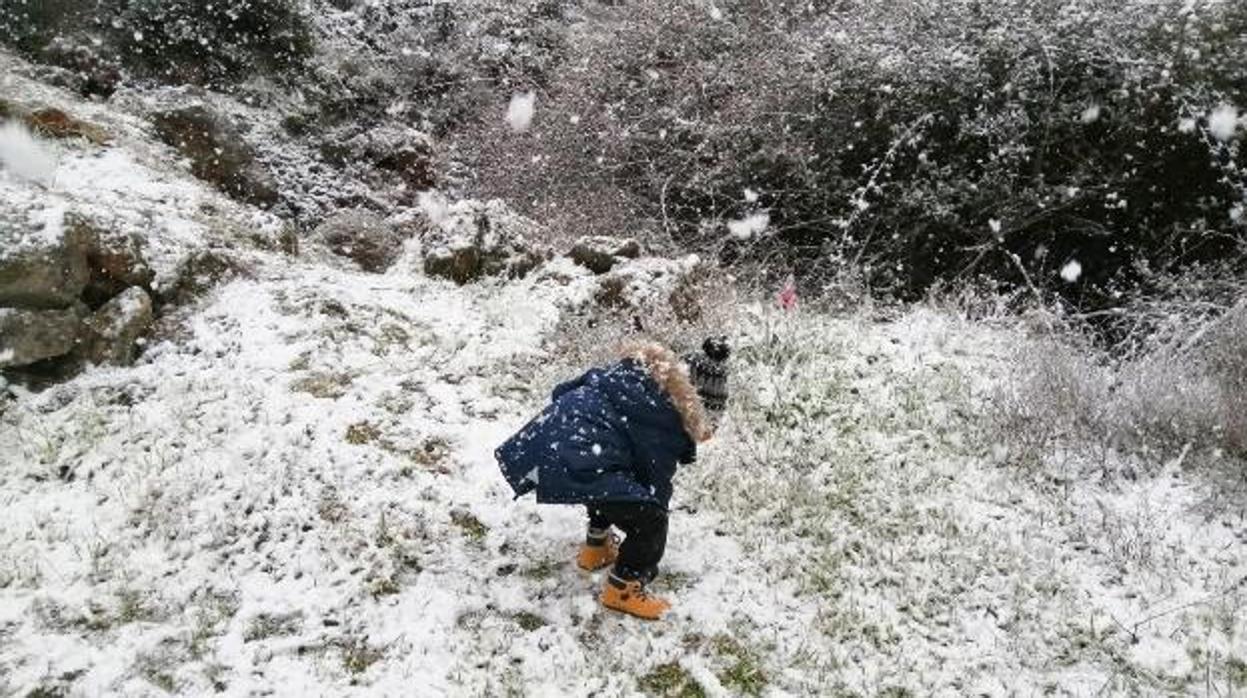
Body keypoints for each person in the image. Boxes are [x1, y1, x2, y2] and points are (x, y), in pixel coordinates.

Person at [495, 337, 730, 619]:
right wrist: (653, 524)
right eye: (708, 422)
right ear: (696, 407)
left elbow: (564, 390)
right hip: (577, 450)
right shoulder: (663, 419)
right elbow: (654, 481)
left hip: (555, 439)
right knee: (650, 516)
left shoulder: (635, 383)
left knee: (610, 481)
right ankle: (623, 588)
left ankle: (597, 548)